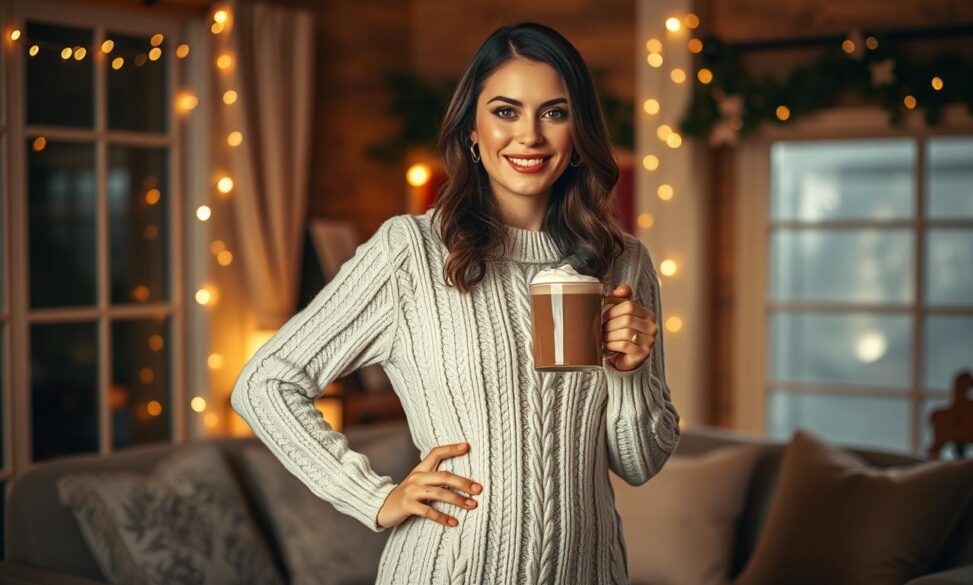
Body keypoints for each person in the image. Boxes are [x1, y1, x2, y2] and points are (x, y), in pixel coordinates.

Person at [231, 21, 681, 585]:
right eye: (505, 111)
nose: (530, 136)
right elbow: (265, 382)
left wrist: (631, 373)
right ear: (472, 127)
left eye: (554, 112)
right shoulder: (411, 251)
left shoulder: (623, 262)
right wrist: (373, 496)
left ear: (578, 133)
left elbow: (640, 464)